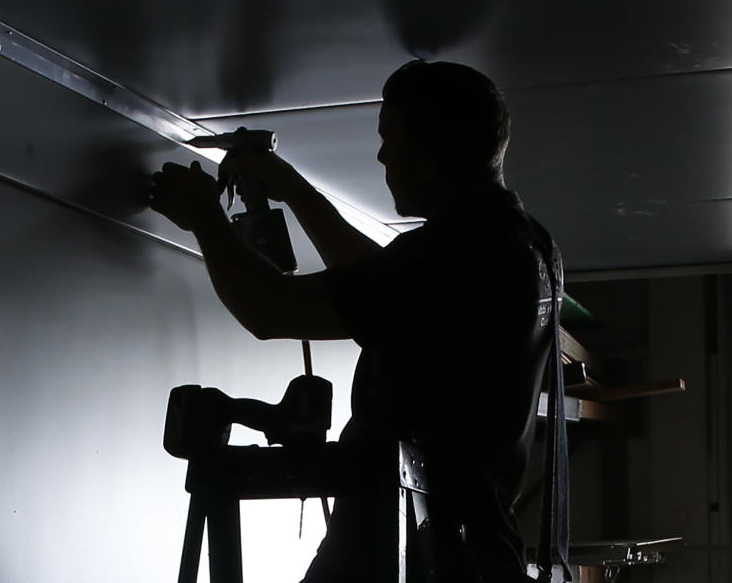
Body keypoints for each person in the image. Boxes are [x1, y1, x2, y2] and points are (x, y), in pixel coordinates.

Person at [148, 60, 561, 583]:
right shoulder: (525, 244)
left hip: (407, 552)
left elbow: (271, 309)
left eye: (390, 139)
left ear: (429, 161)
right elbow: (384, 283)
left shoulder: (453, 255)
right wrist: (294, 190)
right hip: (464, 548)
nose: (382, 155)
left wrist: (204, 216)